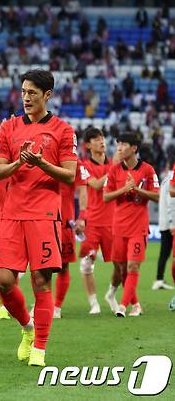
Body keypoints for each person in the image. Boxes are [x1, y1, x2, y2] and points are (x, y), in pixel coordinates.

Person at [0, 69, 77, 367]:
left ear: (47, 95)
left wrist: (42, 163)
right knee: (2, 280)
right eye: (24, 92)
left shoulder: (63, 130)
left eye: (32, 93)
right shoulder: (9, 127)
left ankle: (39, 348)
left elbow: (70, 175)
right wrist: (20, 162)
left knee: (41, 281)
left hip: (44, 214)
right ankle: (28, 328)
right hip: (13, 213)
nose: (26, 98)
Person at [104, 132, 159, 317]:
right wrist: (124, 189)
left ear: (134, 148)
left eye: (123, 144)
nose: (119, 147)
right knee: (121, 268)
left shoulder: (148, 170)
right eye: (118, 144)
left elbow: (158, 196)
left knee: (133, 266)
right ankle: (136, 304)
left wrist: (137, 190)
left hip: (138, 227)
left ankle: (123, 306)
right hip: (119, 227)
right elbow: (106, 197)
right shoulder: (114, 170)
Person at [77, 127, 114, 314]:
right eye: (97, 139)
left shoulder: (115, 163)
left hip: (114, 222)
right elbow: (97, 185)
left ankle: (114, 295)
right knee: (86, 263)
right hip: (93, 221)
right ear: (88, 145)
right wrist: (114, 171)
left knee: (122, 264)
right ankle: (94, 303)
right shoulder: (84, 166)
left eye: (102, 138)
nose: (102, 141)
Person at [54, 160, 89, 318]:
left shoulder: (76, 163)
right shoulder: (42, 155)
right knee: (37, 267)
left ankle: (56, 307)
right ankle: (42, 303)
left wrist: (82, 217)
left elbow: (83, 190)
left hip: (65, 220)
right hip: (41, 216)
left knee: (63, 265)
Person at [154, 166, 175, 290]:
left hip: (165, 222)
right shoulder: (171, 181)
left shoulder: (165, 180)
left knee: (165, 253)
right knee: (166, 253)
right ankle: (159, 279)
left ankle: (159, 278)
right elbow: (171, 202)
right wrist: (172, 223)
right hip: (170, 223)